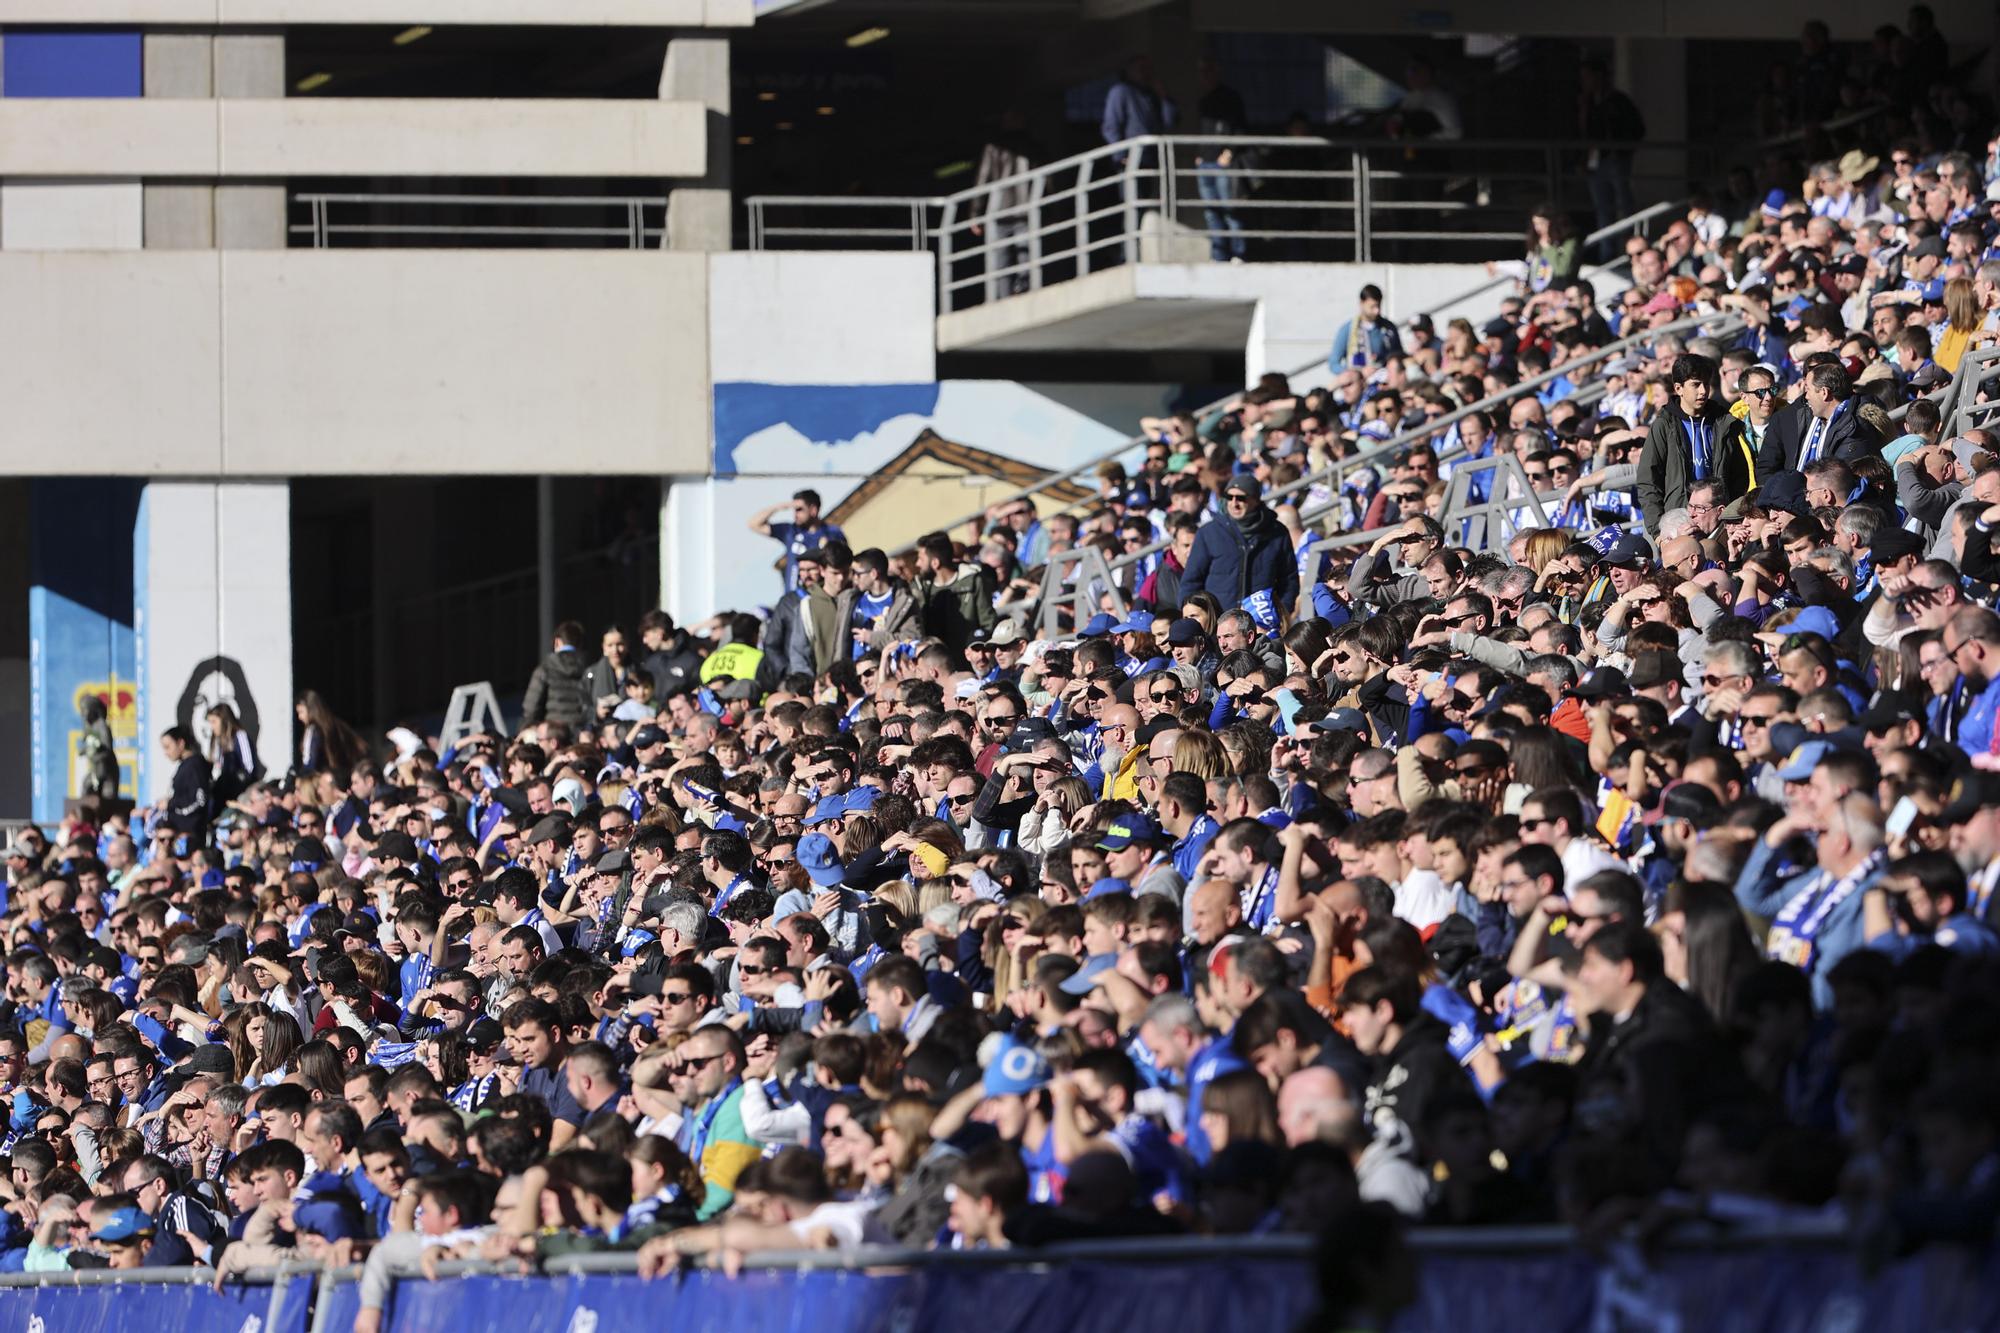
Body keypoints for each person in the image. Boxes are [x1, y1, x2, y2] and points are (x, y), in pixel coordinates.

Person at [1182, 475, 1299, 611]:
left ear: (1255, 499)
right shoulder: (1208, 533)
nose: (1234, 503)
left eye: (1241, 498)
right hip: (1218, 623)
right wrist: (1194, 617)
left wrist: (1281, 613)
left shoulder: (1277, 533)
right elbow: (1191, 582)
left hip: (1261, 624)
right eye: (1229, 497)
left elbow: (1289, 580)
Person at [1578, 57, 1645, 237]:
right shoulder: (1588, 103)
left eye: (1587, 76)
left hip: (1616, 159)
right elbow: (1586, 134)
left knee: (1624, 204)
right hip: (1596, 160)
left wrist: (1622, 150)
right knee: (1603, 208)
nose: (1585, 82)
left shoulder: (1618, 101)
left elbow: (1637, 129)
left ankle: (1629, 243)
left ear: (1598, 76)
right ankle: (1607, 251)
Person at [748, 490, 847, 593]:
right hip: (793, 599)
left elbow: (844, 563)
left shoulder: (832, 533)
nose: (795, 514)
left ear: (813, 510)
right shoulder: (790, 531)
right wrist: (777, 507)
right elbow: (754, 524)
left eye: (799, 509)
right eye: (794, 510)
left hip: (821, 596)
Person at [1328, 286, 1403, 373]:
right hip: (1358, 382)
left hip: (1383, 380)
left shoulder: (1389, 328)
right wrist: (1358, 373)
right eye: (1372, 307)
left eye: (1378, 306)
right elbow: (1334, 363)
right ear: (1361, 303)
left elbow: (1399, 356)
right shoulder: (1348, 329)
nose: (1377, 311)